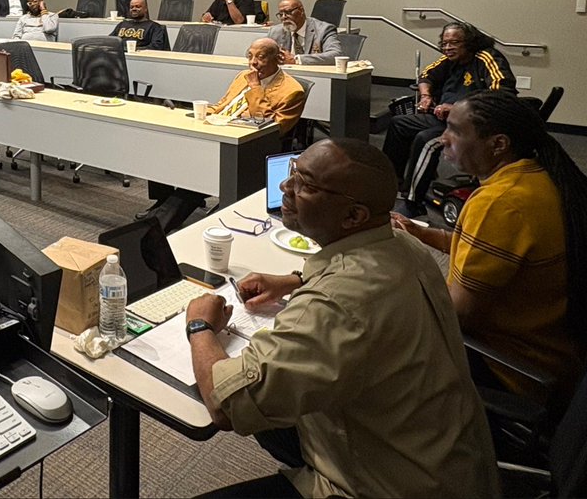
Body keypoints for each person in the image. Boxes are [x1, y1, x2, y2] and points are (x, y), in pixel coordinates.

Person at [186, 139, 499, 498]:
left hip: (387, 485)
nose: (286, 188)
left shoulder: (336, 303)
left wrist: (201, 326)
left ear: (353, 216)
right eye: (293, 175)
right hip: (441, 458)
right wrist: (295, 281)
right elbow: (363, 281)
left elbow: (226, 408)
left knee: (244, 399)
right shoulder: (403, 244)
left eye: (307, 185)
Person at [392, 91, 587, 400]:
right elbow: (488, 249)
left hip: (508, 368)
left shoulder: (500, 204)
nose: (443, 138)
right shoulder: (534, 178)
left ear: (498, 144)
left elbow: (457, 315)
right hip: (554, 351)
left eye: (455, 130)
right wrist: (421, 233)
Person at [137, 39, 305, 230]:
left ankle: (156, 225)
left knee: (199, 168)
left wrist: (256, 87)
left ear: (278, 58)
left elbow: (270, 127)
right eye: (250, 56)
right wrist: (196, 112)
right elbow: (223, 106)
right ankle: (162, 205)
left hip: (251, 147)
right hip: (220, 131)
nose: (253, 63)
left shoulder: (292, 91)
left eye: (261, 57)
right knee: (168, 145)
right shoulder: (243, 76)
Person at [383, 21, 516, 216]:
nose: (448, 48)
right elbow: (426, 75)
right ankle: (393, 180)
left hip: (472, 124)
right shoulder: (450, 60)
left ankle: (413, 203)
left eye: (454, 43)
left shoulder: (486, 58)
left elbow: (501, 92)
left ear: (469, 42)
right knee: (399, 123)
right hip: (444, 118)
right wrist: (427, 96)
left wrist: (457, 108)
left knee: (426, 140)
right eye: (444, 43)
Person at [267, 0, 341, 65]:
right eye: (280, 14)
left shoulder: (324, 30)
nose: (284, 17)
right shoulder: (275, 32)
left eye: (288, 12)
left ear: (301, 11)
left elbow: (335, 55)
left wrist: (296, 60)